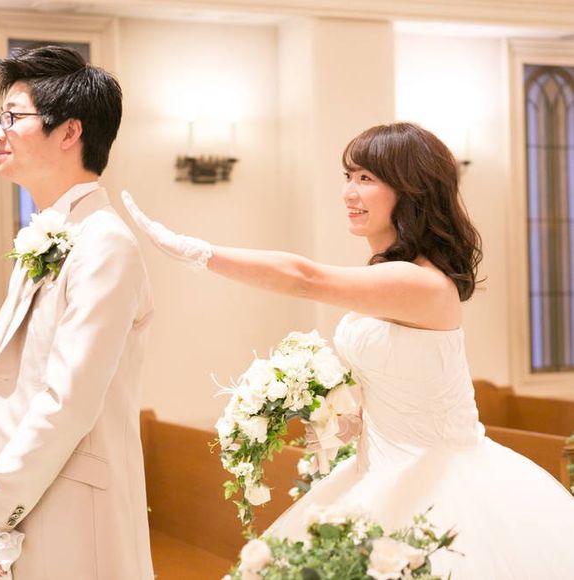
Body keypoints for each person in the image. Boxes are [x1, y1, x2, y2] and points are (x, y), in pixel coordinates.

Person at [122, 122, 574, 578]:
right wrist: (345, 413)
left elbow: (306, 278)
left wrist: (198, 251)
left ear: (411, 189)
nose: (349, 192)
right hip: (378, 466)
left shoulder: (422, 282)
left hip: (435, 477)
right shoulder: (392, 273)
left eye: (366, 178)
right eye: (348, 176)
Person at [0, 46, 154, 579]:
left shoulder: (105, 244)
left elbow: (68, 400)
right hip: (27, 497)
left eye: (12, 117)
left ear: (69, 132)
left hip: (70, 506)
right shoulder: (46, 239)